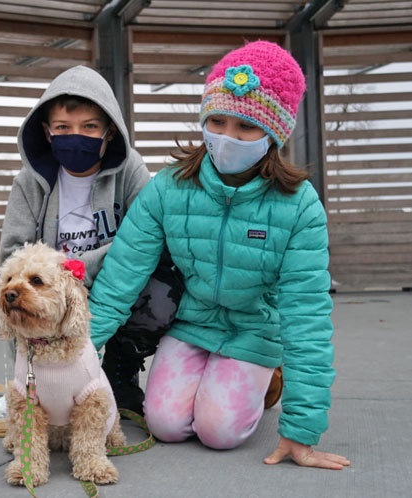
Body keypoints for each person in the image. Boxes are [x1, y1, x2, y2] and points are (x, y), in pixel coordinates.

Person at [87, 41, 351, 469]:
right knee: (165, 425)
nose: (227, 137)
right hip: (192, 323)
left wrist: (301, 429)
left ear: (273, 134)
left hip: (253, 330)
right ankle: (213, 379)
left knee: (219, 432)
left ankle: (269, 376)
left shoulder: (298, 205)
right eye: (217, 121)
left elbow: (307, 316)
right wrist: (73, 361)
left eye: (246, 127)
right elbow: (121, 276)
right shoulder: (170, 187)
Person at [0, 65, 183, 414]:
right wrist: (60, 278)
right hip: (53, 291)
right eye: (63, 128)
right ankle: (41, 388)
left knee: (162, 294)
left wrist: (81, 267)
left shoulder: (130, 171)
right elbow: (12, 253)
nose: (76, 136)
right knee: (19, 298)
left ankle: (119, 371)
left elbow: (152, 237)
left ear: (109, 131)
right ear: (47, 131)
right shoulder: (29, 182)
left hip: (116, 282)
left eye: (89, 127)